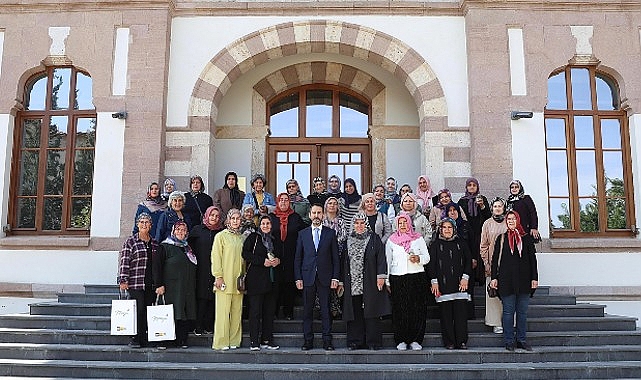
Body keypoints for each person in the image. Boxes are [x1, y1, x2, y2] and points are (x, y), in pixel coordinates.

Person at [340, 212, 391, 350]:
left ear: (366, 224)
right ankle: (355, 341)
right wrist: (341, 282)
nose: (359, 225)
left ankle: (373, 342)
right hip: (353, 283)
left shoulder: (374, 238)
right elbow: (343, 262)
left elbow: (381, 258)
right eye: (356, 223)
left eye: (362, 223)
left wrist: (381, 276)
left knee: (372, 312)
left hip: (370, 281)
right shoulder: (347, 240)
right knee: (355, 312)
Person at [490, 210, 539, 352]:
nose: (511, 221)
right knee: (508, 312)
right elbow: (495, 260)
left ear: (518, 220)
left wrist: (534, 278)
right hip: (506, 281)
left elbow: (532, 260)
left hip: (524, 280)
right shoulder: (502, 238)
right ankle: (509, 340)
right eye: (509, 219)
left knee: (522, 312)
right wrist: (494, 277)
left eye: (513, 219)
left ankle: (521, 340)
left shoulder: (526, 239)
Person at [294, 204, 340, 351]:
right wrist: (298, 278)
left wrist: (335, 278)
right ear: (309, 215)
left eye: (319, 213)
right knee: (307, 311)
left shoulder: (330, 233)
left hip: (325, 277)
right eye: (314, 213)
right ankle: (308, 341)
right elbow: (298, 258)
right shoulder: (303, 234)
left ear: (323, 215)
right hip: (307, 277)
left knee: (326, 310)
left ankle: (327, 341)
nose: (316, 215)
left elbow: (335, 258)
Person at [386, 213, 430, 351]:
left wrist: (418, 258)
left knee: (417, 309)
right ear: (396, 225)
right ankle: (401, 339)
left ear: (410, 223)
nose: (403, 225)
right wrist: (387, 280)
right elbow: (388, 261)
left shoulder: (418, 239)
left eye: (405, 222)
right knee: (400, 309)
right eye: (400, 223)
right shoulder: (391, 241)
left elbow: (427, 257)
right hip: (398, 277)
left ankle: (416, 339)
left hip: (416, 276)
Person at [428, 218, 472, 350]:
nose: (447, 230)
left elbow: (468, 261)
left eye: (450, 227)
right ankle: (449, 342)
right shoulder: (435, 245)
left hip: (460, 285)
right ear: (440, 229)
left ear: (454, 229)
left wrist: (465, 278)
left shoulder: (461, 243)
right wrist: (434, 282)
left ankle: (462, 341)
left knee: (461, 316)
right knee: (446, 316)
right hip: (443, 286)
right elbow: (431, 266)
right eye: (444, 227)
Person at [153, 221, 197, 349]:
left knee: (183, 312)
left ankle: (181, 340)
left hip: (185, 287)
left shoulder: (188, 248)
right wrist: (158, 284)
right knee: (168, 312)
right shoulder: (164, 246)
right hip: (169, 287)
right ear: (173, 231)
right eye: (178, 229)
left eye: (183, 230)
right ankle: (163, 341)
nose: (180, 232)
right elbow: (157, 267)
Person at [118, 212, 158, 348]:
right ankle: (134, 338)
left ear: (151, 225)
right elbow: (125, 261)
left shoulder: (154, 243)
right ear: (137, 225)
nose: (144, 225)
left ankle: (144, 337)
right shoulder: (131, 241)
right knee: (138, 310)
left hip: (149, 283)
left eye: (147, 222)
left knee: (147, 310)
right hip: (135, 282)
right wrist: (123, 280)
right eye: (142, 222)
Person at [242, 215, 281, 351]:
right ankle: (254, 341)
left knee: (269, 312)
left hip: (271, 280)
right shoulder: (253, 237)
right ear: (259, 225)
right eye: (263, 223)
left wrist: (278, 261)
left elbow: (281, 254)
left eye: (268, 224)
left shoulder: (274, 239)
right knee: (255, 312)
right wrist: (261, 261)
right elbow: (245, 254)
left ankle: (267, 339)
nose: (265, 226)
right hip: (256, 280)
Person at [211, 209, 245, 351]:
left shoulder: (242, 237)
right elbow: (216, 257)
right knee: (223, 313)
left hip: (238, 281)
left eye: (238, 218)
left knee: (237, 312)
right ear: (228, 220)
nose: (236, 221)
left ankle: (235, 340)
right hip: (224, 280)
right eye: (233, 218)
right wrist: (218, 276)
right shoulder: (221, 236)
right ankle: (221, 341)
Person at [187, 206, 223, 336]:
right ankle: (198, 325)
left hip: (216, 269)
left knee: (213, 298)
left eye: (217, 216)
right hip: (200, 269)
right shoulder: (197, 230)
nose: (214, 218)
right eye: (212, 215)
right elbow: (188, 248)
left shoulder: (221, 232)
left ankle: (209, 325)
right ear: (207, 216)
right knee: (201, 297)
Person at [270, 193, 306, 320]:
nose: (284, 202)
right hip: (275, 257)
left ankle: (288, 313)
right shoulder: (271, 217)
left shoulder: (295, 217)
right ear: (277, 202)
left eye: (286, 200)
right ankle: (273, 312)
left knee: (289, 285)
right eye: (281, 200)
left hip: (292, 256)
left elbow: (303, 234)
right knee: (275, 286)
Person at [480, 197, 509, 334]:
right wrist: (486, 263)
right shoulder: (487, 223)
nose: (498, 208)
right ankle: (496, 323)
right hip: (492, 264)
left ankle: (509, 321)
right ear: (491, 208)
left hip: (508, 263)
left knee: (508, 293)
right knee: (493, 295)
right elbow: (483, 245)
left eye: (500, 206)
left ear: (504, 208)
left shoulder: (508, 221)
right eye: (495, 206)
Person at [322, 195, 348, 319]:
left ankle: (335, 309)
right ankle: (323, 309)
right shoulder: (321, 221)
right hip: (323, 257)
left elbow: (343, 237)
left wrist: (331, 243)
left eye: (335, 203)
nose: (332, 205)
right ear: (326, 206)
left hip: (337, 255)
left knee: (336, 281)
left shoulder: (341, 221)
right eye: (330, 203)